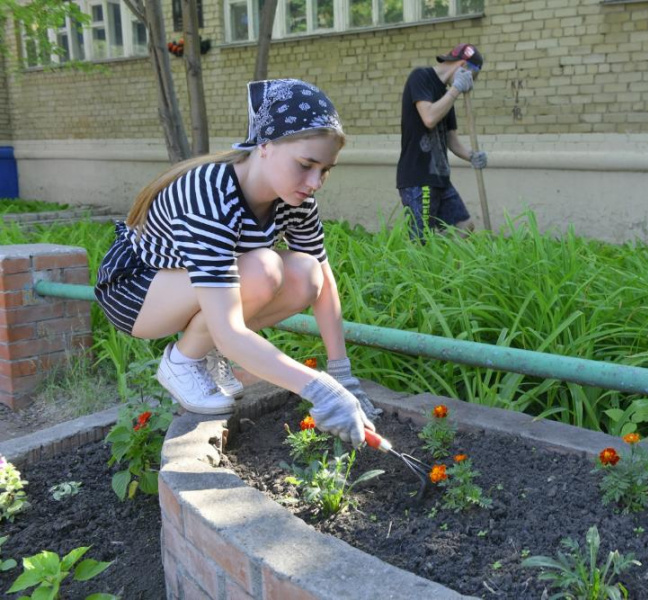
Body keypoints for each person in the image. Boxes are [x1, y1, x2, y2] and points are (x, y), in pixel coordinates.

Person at [94, 79, 380, 447]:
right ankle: (182, 361)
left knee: (306, 273)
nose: (315, 182)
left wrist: (343, 375)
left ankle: (202, 351)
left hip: (192, 287)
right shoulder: (210, 193)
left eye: (325, 170)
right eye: (306, 164)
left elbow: (323, 280)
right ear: (265, 144)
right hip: (137, 289)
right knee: (263, 269)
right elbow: (229, 327)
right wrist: (321, 390)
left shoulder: (295, 200)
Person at [396, 43, 488, 240]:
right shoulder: (421, 77)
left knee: (464, 226)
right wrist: (455, 90)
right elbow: (429, 118)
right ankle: (420, 269)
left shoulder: (446, 95)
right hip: (418, 178)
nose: (469, 85)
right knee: (421, 241)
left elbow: (451, 141)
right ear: (463, 65)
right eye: (472, 78)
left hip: (440, 178)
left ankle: (442, 267)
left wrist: (472, 156)